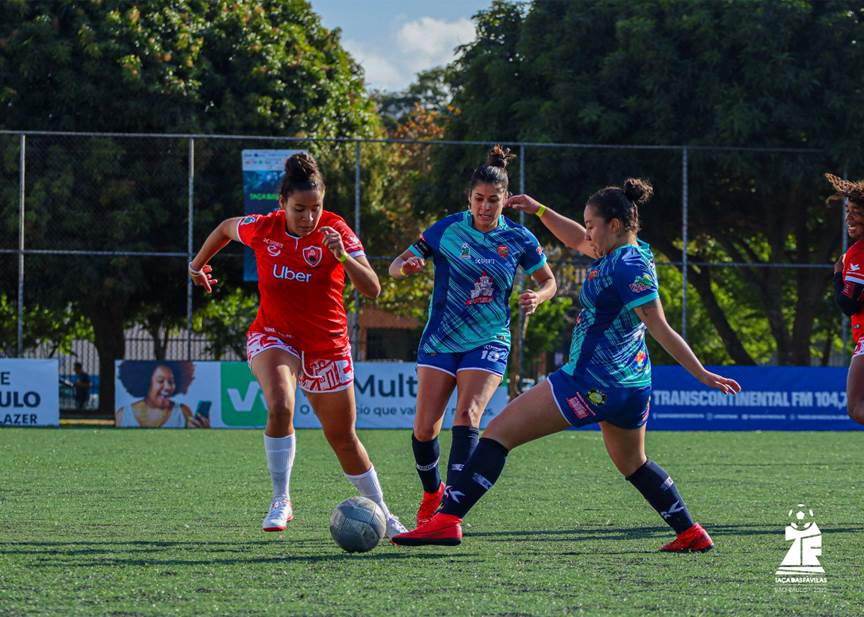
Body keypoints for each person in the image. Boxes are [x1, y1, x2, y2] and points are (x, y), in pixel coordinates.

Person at [394, 178, 742, 551]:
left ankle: (447, 520)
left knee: (497, 434)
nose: (587, 234)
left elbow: (659, 326)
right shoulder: (632, 252)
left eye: (592, 224)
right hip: (633, 387)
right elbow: (576, 239)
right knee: (634, 464)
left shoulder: (625, 267)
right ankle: (690, 532)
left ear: (613, 224)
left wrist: (701, 373)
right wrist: (540, 210)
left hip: (589, 381)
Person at [189, 152, 406, 536]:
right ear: (282, 204)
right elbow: (225, 228)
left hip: (327, 344)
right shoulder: (264, 228)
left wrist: (343, 255)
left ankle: (386, 515)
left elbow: (372, 288)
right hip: (274, 335)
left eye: (316, 208)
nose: (309, 218)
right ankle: (281, 499)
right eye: (300, 209)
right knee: (281, 405)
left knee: (343, 438)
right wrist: (197, 265)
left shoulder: (336, 229)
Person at [388, 145, 557, 526]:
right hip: (441, 339)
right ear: (469, 198)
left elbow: (549, 281)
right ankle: (433, 492)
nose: (485, 207)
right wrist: (408, 267)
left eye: (493, 200)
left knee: (467, 414)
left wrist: (539, 296)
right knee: (424, 426)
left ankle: (450, 512)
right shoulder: (446, 229)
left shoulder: (519, 239)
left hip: (489, 338)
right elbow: (397, 265)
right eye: (479, 199)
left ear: (505, 201)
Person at [826, 172, 864, 425]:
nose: (849, 217)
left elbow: (849, 303)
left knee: (856, 407)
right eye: (848, 210)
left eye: (856, 212)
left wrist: (838, 276)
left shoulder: (859, 252)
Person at [115, 361, 207, 428]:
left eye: (171, 381)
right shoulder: (123, 415)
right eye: (160, 381)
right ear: (146, 383)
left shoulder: (182, 413)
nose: (168, 387)